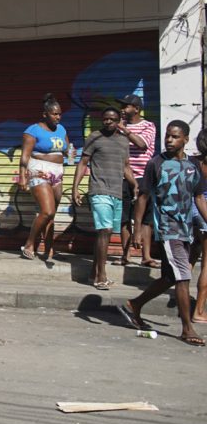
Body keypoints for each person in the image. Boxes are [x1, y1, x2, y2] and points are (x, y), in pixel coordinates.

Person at [120, 121, 207, 347]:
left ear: (185, 139)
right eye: (167, 136)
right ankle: (187, 329)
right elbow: (143, 197)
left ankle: (135, 305)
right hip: (167, 229)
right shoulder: (156, 163)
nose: (169, 140)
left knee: (170, 277)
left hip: (186, 229)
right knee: (183, 276)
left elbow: (198, 198)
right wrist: (138, 229)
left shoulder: (193, 166)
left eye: (175, 137)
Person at [71, 107, 137, 290]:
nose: (108, 122)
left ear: (119, 121)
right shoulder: (94, 137)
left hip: (117, 192)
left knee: (105, 234)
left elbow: (125, 166)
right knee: (105, 230)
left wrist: (135, 184)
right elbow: (83, 162)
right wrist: (75, 187)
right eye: (105, 119)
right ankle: (101, 276)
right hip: (98, 190)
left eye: (112, 119)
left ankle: (93, 272)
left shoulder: (123, 141)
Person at [19, 93, 70, 260]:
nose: (58, 117)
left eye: (59, 113)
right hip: (39, 170)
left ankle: (49, 248)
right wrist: (22, 176)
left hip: (57, 171)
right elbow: (25, 155)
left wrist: (70, 153)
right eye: (54, 114)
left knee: (51, 214)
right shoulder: (32, 130)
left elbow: (67, 149)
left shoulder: (61, 129)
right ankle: (29, 244)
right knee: (47, 211)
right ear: (45, 114)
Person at [116, 94, 157, 267]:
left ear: (137, 109)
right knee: (124, 218)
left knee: (146, 220)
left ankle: (146, 256)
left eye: (126, 106)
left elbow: (142, 145)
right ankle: (126, 255)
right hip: (123, 177)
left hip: (143, 177)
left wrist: (125, 130)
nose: (123, 110)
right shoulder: (119, 127)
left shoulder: (148, 126)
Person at [192, 129, 207, 325]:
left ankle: (181, 295)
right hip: (203, 208)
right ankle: (199, 310)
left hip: (191, 209)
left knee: (193, 254)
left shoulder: (193, 161)